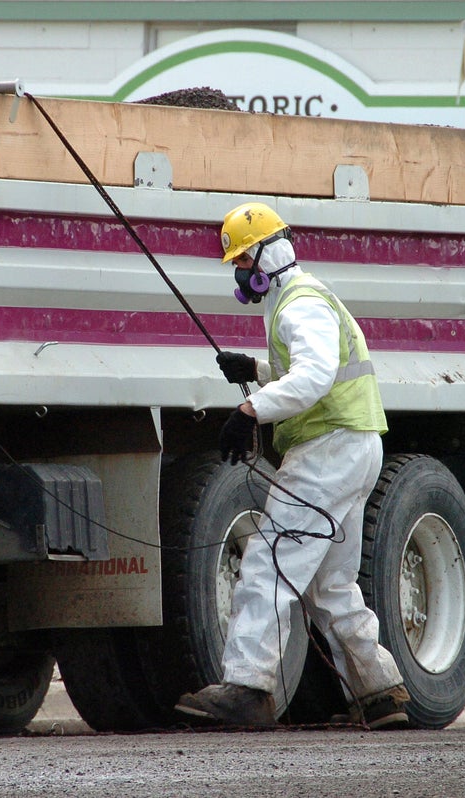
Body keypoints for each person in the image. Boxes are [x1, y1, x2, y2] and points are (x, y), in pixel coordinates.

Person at [174, 202, 411, 729]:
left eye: (240, 261)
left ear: (264, 256)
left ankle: (248, 687)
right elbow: (307, 368)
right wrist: (256, 370)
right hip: (352, 446)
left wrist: (248, 409)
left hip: (329, 451)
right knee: (330, 583)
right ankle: (379, 691)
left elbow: (316, 375)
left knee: (269, 562)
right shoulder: (299, 298)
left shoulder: (298, 302)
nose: (238, 273)